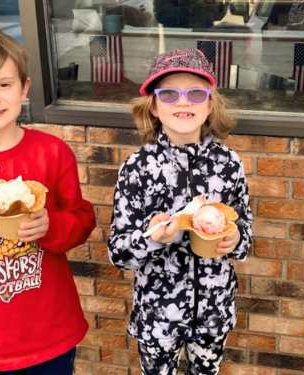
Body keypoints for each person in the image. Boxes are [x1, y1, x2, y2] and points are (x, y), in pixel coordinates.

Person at [108, 48, 253, 374]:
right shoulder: (137, 168)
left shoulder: (228, 164)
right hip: (158, 314)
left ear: (210, 103)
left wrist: (237, 238)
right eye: (170, 94)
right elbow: (118, 251)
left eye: (196, 93)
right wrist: (153, 237)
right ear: (155, 107)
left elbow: (244, 225)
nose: (183, 102)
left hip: (213, 311)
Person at [0, 27, 96, 373]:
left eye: (3, 85)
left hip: (50, 332)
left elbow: (81, 220)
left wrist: (51, 226)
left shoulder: (52, 153)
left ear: (24, 88)